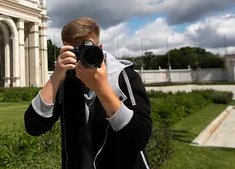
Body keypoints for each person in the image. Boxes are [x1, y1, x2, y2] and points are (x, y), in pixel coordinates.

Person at [24, 17, 152, 169]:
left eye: (88, 51)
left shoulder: (123, 76)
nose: (81, 59)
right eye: (75, 53)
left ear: (100, 48)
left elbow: (140, 138)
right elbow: (34, 127)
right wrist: (56, 77)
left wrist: (102, 88)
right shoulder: (66, 82)